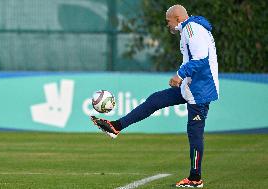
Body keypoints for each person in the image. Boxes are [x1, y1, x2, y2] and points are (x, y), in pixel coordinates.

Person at [90, 4, 219, 188]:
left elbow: (201, 59)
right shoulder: (190, 28)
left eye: (168, 22)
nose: (168, 25)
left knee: (195, 132)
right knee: (155, 100)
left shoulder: (191, 29)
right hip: (192, 86)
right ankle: (115, 127)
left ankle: (195, 178)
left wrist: (180, 74)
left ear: (177, 18)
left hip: (200, 90)